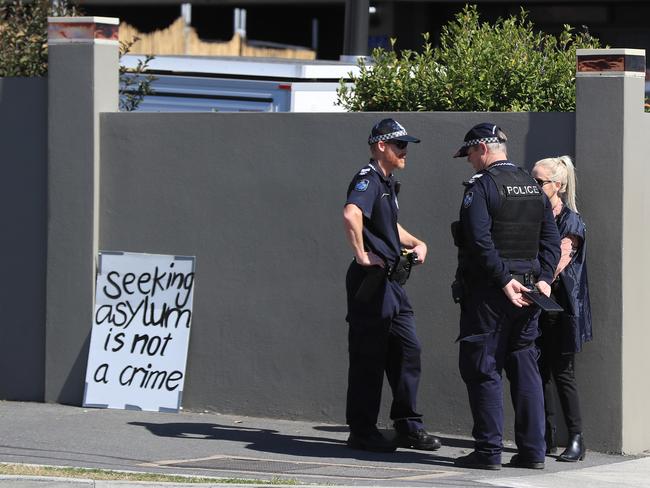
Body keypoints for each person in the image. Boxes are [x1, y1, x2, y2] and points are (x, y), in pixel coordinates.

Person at [450, 123, 561, 470]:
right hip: (529, 292)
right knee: (525, 365)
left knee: (482, 366)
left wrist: (502, 280)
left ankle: (488, 452)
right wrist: (543, 279)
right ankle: (532, 452)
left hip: (491, 295)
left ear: (483, 149)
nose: (469, 160)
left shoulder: (481, 188)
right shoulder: (533, 186)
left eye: (469, 153)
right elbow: (551, 241)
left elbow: (480, 240)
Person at [342, 118, 441, 453]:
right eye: (400, 145)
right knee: (369, 356)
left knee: (407, 349)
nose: (405, 151)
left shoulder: (387, 183)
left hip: (393, 283)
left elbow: (389, 225)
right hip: (373, 282)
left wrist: (417, 242)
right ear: (381, 146)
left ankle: (408, 426)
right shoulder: (367, 179)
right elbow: (351, 213)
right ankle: (362, 430)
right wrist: (361, 255)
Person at [532, 156, 592, 462]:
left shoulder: (570, 221)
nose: (534, 187)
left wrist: (537, 279)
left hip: (561, 308)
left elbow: (558, 263)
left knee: (563, 373)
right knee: (539, 371)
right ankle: (545, 437)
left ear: (558, 184)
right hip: (539, 304)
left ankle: (577, 438)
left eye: (539, 182)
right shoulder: (536, 216)